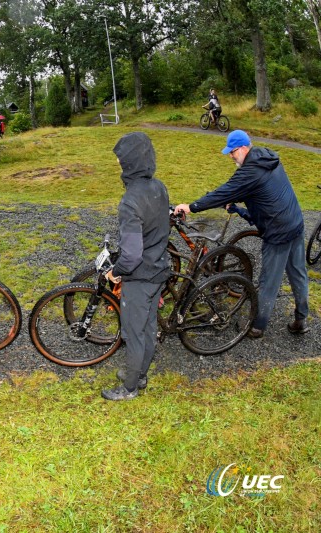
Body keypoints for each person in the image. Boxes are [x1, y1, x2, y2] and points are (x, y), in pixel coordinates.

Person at [174, 130, 309, 339]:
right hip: (295, 223)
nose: (231, 156)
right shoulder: (266, 157)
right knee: (298, 274)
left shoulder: (250, 172)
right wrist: (238, 208)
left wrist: (191, 207)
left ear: (244, 148)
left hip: (279, 233)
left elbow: (225, 191)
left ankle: (257, 326)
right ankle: (301, 320)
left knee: (268, 283)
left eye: (233, 152)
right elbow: (262, 198)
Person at [102, 132, 171, 401]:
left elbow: (130, 256)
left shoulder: (130, 201)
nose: (119, 164)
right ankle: (140, 373)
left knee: (133, 332)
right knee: (148, 327)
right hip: (159, 272)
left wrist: (115, 273)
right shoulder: (159, 187)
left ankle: (129, 388)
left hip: (140, 278)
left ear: (130, 162)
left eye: (121, 159)